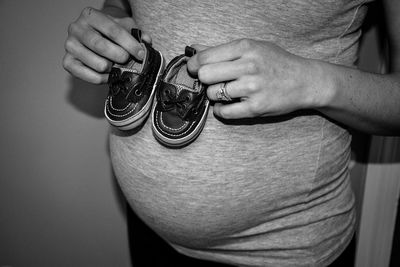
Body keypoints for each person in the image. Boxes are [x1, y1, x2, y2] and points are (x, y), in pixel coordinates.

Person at [62, 0, 400, 266]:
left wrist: (313, 81)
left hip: (286, 249)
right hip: (151, 236)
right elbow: (120, 5)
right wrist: (108, 25)